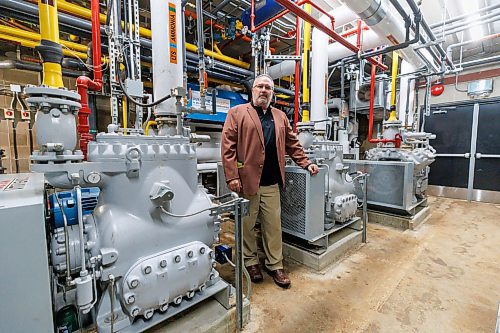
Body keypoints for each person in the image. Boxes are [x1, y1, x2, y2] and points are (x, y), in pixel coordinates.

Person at [221, 74, 319, 288]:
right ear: (253, 90)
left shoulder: (280, 116)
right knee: (246, 225)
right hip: (247, 182)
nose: (263, 90)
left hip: (272, 182)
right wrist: (232, 176)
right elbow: (227, 147)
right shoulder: (237, 113)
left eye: (268, 87)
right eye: (260, 86)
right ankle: (250, 261)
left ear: (272, 93)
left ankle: (275, 265)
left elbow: (293, 144)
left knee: (273, 226)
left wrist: (306, 163)